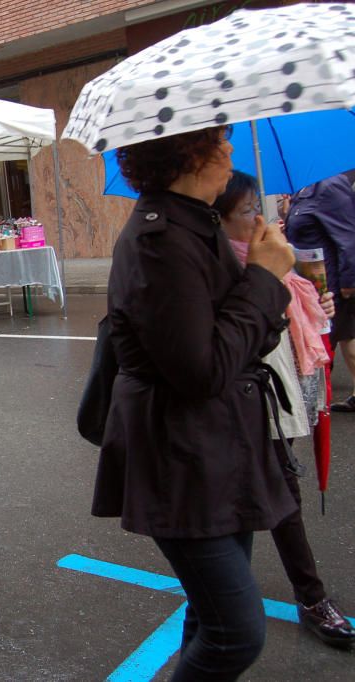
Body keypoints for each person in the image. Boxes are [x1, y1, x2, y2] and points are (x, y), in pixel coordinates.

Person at [95, 126, 298, 680]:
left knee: (210, 617)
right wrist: (262, 280)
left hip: (218, 447)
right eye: (218, 142)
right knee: (236, 633)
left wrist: (273, 286)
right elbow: (202, 370)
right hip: (182, 456)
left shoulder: (196, 224)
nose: (230, 151)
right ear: (184, 153)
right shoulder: (161, 241)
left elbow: (243, 340)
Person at [216, 171, 355, 650]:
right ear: (219, 221)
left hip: (281, 391)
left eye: (262, 206)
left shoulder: (272, 262)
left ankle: (227, 596)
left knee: (270, 489)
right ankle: (310, 597)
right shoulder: (222, 269)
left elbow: (299, 317)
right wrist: (265, 283)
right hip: (246, 397)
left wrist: (319, 303)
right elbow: (236, 339)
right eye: (247, 211)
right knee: (277, 491)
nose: (261, 218)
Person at [285, 172, 355, 412]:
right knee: (340, 340)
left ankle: (317, 401)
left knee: (344, 340)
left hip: (333, 284)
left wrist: (349, 281)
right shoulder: (302, 187)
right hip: (310, 284)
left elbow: (348, 237)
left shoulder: (330, 186)